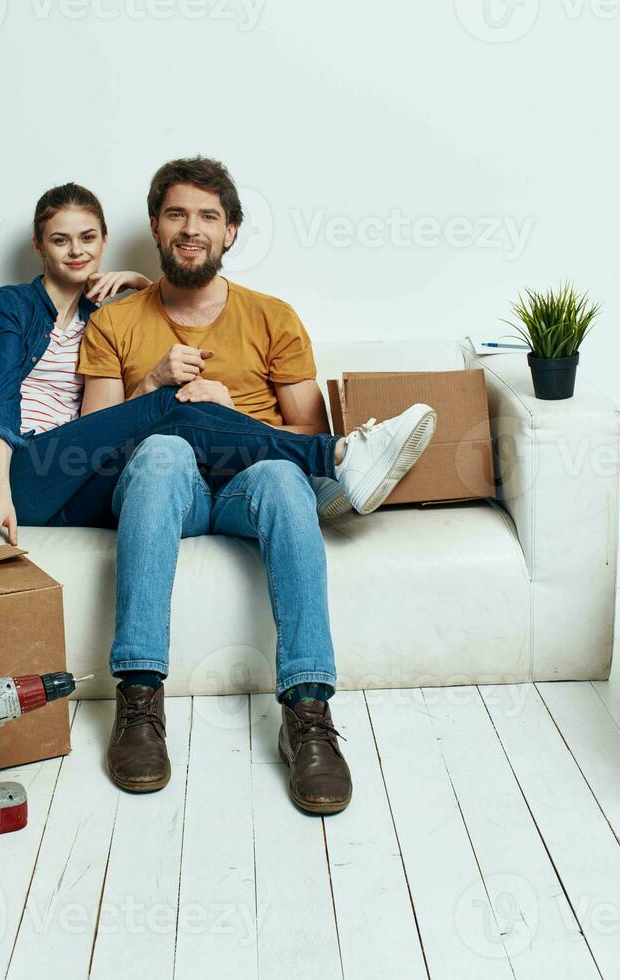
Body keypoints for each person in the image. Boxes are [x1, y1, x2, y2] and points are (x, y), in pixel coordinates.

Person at [79, 157, 417, 815]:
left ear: (230, 232)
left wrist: (224, 414)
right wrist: (152, 389)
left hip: (245, 492)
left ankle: (308, 712)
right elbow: (87, 448)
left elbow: (303, 440)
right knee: (162, 452)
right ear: (155, 224)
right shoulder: (115, 322)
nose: (191, 228)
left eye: (208, 216)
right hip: (161, 491)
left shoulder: (271, 317)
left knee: (282, 479)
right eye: (176, 213)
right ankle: (139, 704)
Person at [0, 181, 436, 550]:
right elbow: (3, 396)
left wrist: (143, 284)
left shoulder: (104, 313)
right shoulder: (11, 306)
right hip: (17, 469)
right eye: (60, 239)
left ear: (104, 241)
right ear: (39, 245)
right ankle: (340, 455)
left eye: (88, 238)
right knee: (174, 400)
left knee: (167, 442)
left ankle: (316, 471)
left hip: (71, 476)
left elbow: (143, 340)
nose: (76, 251)